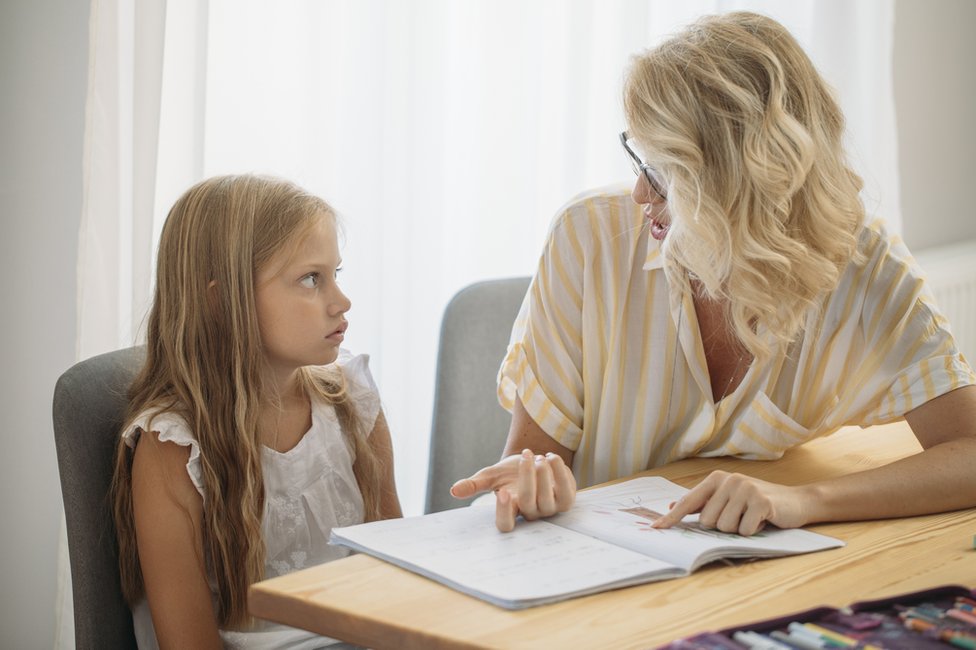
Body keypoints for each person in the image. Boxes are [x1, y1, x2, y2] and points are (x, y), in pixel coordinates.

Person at [451, 11, 976, 536]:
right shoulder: (584, 238)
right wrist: (534, 483)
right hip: (599, 578)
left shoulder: (863, 263)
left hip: (749, 581)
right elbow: (532, 461)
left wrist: (804, 501)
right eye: (639, 161)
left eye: (662, 173)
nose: (640, 194)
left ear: (740, 182)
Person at [111, 174, 402, 649]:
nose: (341, 302)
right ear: (221, 301)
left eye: (336, 275)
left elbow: (397, 583)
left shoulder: (354, 403)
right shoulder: (174, 450)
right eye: (311, 279)